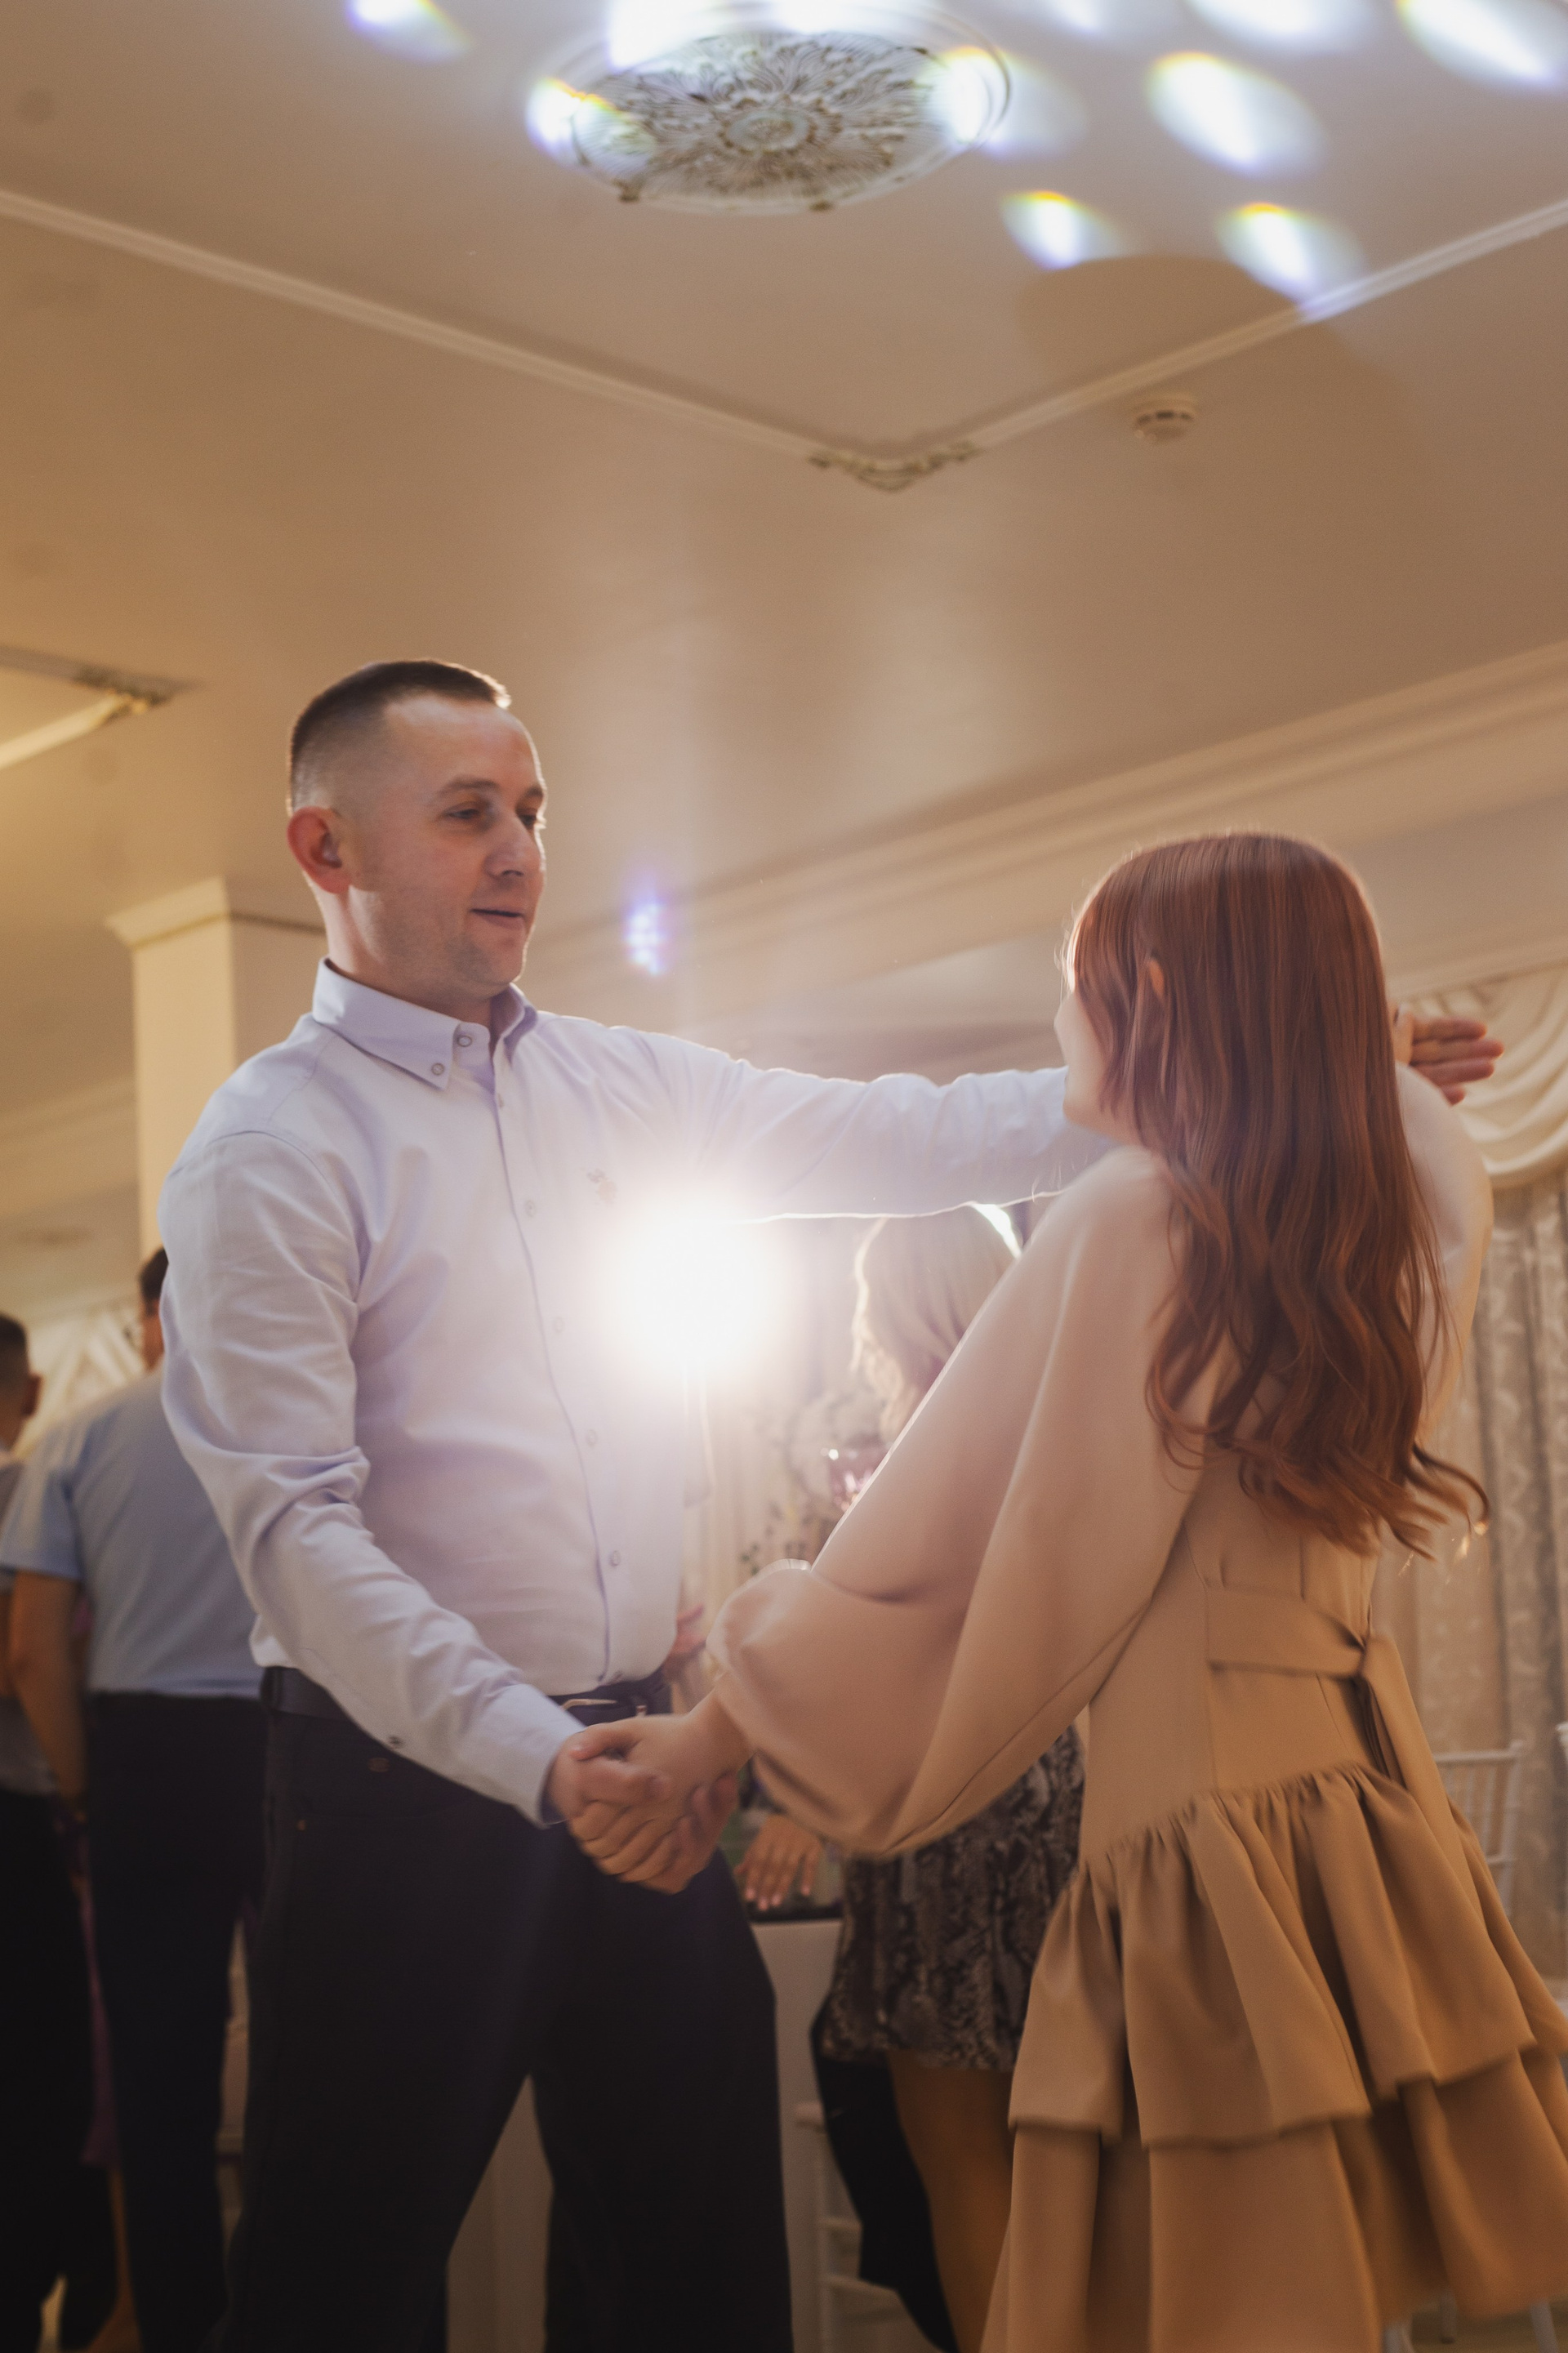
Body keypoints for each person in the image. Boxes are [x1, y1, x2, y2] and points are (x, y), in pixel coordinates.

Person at [151, 654, 1130, 2353]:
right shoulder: (270, 1146)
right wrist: (543, 1757)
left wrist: (1260, 1079)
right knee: (339, 2285)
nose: (521, 851)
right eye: (469, 813)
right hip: (400, 1793)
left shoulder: (618, 1084)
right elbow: (299, 1536)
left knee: (697, 2269)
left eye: (533, 812)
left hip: (641, 1757)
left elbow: (912, 1132)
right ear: (326, 847)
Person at [568, 833, 1568, 2352]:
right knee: (1333, 2278)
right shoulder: (1415, 1196)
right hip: (1364, 1799)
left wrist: (719, 1727)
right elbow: (1397, 1130)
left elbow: (947, 1534)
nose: (1057, 1019)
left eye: (1072, 982)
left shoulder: (1137, 1219)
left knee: (1215, 2298)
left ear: (1149, 999)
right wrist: (1349, 1053)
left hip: (1202, 1825)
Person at [742, 1209, 1085, 2353]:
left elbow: (867, 1657)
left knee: (963, 2158)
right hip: (1054, 1798)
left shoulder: (928, 1454)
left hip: (943, 1807)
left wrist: (801, 1794)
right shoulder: (1055, 1436)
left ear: (901, 1308)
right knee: (1057, 2151)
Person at [4, 1253, 265, 2353]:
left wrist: (84, 1789)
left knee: (161, 2098)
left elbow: (30, 1652)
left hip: (145, 1762)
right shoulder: (298, 1426)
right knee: (317, 2075)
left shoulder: (76, 1438)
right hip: (286, 1749)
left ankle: (179, 2329)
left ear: (147, 1316)